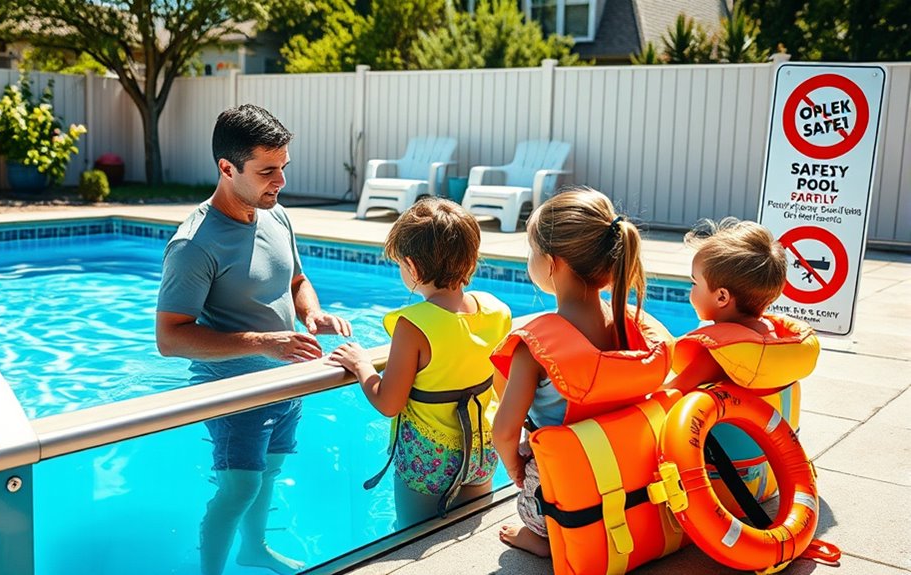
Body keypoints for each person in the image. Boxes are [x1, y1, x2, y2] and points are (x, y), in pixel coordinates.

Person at [155, 104, 352, 575]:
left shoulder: (275, 215)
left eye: (283, 167)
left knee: (269, 475)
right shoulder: (193, 246)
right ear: (227, 168)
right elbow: (170, 338)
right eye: (267, 171)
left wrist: (312, 313)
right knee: (239, 487)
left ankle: (254, 550)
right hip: (232, 393)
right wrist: (265, 342)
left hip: (285, 382)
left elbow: (297, 280)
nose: (280, 181)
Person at [489, 187, 672, 557]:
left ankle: (542, 537)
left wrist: (518, 472)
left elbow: (504, 432)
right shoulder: (628, 324)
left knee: (531, 463)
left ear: (553, 263)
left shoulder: (535, 346)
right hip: (634, 481)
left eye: (532, 250)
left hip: (571, 499)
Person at [326, 198, 511, 527]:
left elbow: (389, 402)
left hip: (429, 459)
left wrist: (361, 365)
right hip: (482, 449)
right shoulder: (496, 310)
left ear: (412, 267)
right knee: (468, 529)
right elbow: (500, 386)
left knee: (413, 539)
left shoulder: (414, 325)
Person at [660, 218, 819, 513]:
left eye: (695, 283)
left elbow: (667, 398)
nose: (689, 290)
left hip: (723, 484)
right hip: (768, 478)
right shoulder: (771, 341)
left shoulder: (720, 352)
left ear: (721, 297)